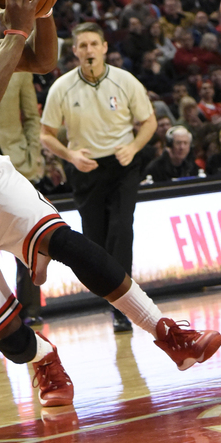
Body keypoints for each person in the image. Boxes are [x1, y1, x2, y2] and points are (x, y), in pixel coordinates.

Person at [0, 0, 221, 412]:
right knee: (10, 337)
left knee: (66, 241)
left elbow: (42, 60)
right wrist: (16, 29)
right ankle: (43, 357)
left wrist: (42, 11)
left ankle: (167, 332)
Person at [40, 22, 158, 333]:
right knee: (96, 242)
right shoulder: (62, 87)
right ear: (75, 51)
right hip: (85, 168)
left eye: (94, 44)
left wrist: (133, 147)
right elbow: (46, 134)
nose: (89, 50)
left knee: (121, 229)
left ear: (105, 48)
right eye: (83, 45)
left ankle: (125, 309)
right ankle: (114, 300)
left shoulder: (124, 80)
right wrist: (70, 156)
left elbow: (149, 121)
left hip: (122, 166)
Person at [0, 13, 45, 326]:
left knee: (25, 233)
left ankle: (31, 308)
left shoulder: (18, 67)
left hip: (16, 160)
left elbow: (31, 117)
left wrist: (33, 154)